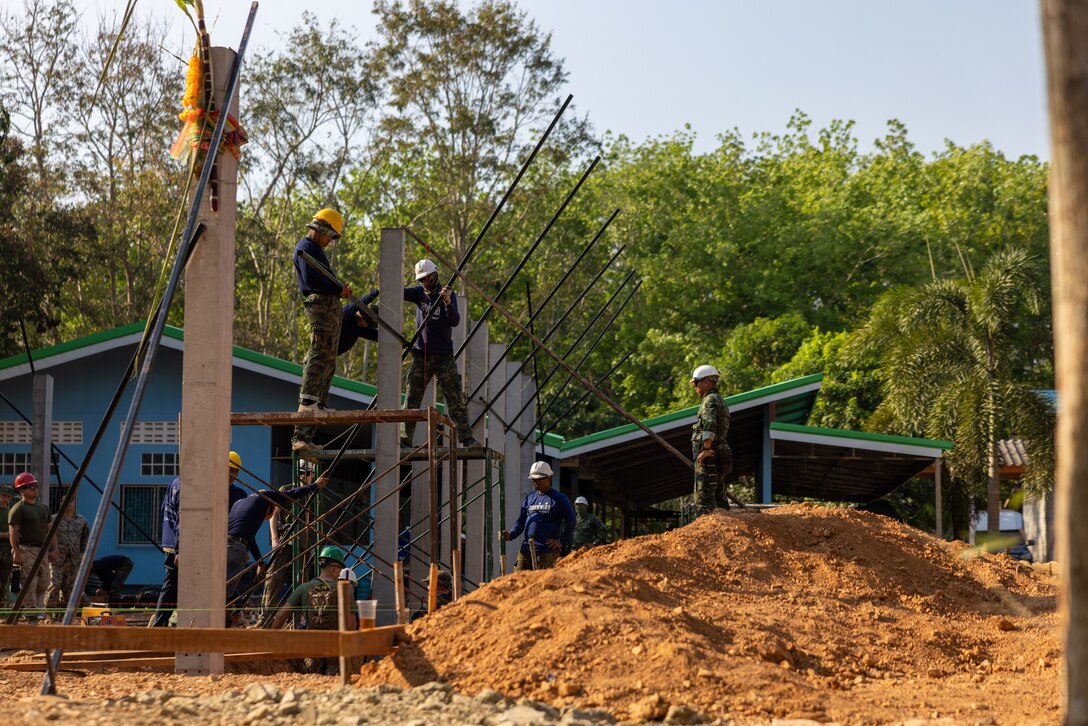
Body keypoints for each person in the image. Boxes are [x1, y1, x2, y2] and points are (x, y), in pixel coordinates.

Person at [150, 451, 249, 627]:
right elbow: (184, 520)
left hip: (174, 543)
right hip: (180, 546)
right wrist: (180, 549)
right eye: (229, 470)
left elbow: (165, 511)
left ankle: (163, 625)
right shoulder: (189, 486)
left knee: (177, 588)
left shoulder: (175, 483)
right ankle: (160, 627)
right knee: (173, 588)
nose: (232, 475)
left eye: (235, 471)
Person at [226, 473, 328, 622]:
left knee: (224, 585)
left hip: (226, 545)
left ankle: (231, 615)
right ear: (270, 505)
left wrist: (260, 563)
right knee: (228, 591)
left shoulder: (241, 503)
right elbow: (291, 494)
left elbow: (251, 540)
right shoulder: (265, 497)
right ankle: (225, 622)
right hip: (240, 548)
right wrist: (315, 486)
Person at [292, 207, 353, 452]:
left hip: (329, 308)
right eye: (330, 236)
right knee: (319, 357)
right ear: (322, 230)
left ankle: (312, 421)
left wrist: (339, 289)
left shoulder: (316, 250)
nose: (330, 242)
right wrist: (337, 289)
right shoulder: (307, 249)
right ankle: (307, 412)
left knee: (328, 359)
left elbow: (326, 279)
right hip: (321, 308)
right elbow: (313, 281)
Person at [401, 259, 478, 448]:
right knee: (411, 398)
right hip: (422, 356)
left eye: (428, 279)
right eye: (422, 280)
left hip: (444, 356)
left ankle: (466, 437)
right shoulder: (418, 293)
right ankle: (405, 439)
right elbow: (396, 291)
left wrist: (446, 302)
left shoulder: (447, 295)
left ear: (435, 275)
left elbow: (454, 321)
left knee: (455, 398)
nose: (425, 283)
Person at [270, 545, 355, 675]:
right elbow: (351, 624)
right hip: (336, 651)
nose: (339, 574)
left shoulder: (303, 588)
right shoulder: (345, 590)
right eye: (340, 570)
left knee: (311, 685)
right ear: (333, 568)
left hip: (311, 650)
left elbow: (281, 616)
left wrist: (268, 640)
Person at [261, 460, 316, 618]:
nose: (302, 476)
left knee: (301, 584)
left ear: (312, 475)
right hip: (285, 542)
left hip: (303, 544)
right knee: (274, 580)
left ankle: (297, 619)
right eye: (300, 472)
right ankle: (265, 618)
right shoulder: (287, 489)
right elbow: (274, 515)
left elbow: (313, 521)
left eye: (306, 473)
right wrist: (274, 539)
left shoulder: (312, 494)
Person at [500, 461, 575, 572]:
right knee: (517, 581)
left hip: (546, 552)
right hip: (526, 550)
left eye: (539, 479)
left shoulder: (559, 498)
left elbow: (572, 520)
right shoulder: (529, 498)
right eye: (533, 479)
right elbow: (521, 521)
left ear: (549, 478)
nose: (535, 482)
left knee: (543, 584)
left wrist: (562, 541)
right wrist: (511, 535)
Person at [8, 472, 57, 620]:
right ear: (22, 490)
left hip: (41, 550)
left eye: (36, 486)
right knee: (30, 581)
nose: (35, 489)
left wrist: (55, 549)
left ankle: (23, 604)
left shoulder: (43, 508)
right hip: (25, 548)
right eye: (30, 487)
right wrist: (16, 552)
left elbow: (51, 530)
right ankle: (32, 614)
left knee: (45, 581)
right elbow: (13, 532)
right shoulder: (18, 509)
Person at [690, 364, 732, 515]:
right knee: (719, 496)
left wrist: (706, 449)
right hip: (719, 453)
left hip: (710, 456)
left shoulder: (709, 401)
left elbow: (710, 424)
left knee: (704, 499)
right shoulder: (720, 399)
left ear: (706, 382)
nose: (695, 387)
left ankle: (708, 535)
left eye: (696, 382)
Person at [46, 500, 89, 610]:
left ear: (74, 503)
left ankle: (69, 613)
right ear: (60, 503)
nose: (68, 503)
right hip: (57, 559)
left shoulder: (81, 521)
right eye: (64, 501)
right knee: (54, 586)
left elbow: (85, 539)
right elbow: (46, 537)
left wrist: (83, 555)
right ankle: (49, 613)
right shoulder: (54, 519)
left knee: (72, 587)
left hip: (74, 560)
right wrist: (49, 552)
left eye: (70, 501)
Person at [0, 484, 14, 603]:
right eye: (3, 495)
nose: (6, 498)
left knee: (5, 581)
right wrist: (6, 535)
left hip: (7, 550)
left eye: (8, 496)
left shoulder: (11, 513)